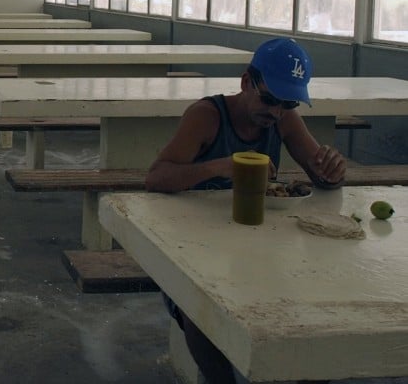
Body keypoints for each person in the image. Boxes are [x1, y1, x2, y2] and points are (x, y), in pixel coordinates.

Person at [145, 37, 347, 384]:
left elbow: (318, 171)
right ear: (245, 82)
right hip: (195, 242)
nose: (276, 111)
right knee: (199, 307)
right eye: (269, 99)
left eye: (288, 102)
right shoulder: (207, 116)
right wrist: (218, 167)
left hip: (257, 243)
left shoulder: (282, 118)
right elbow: (156, 177)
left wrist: (331, 171)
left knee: (310, 298)